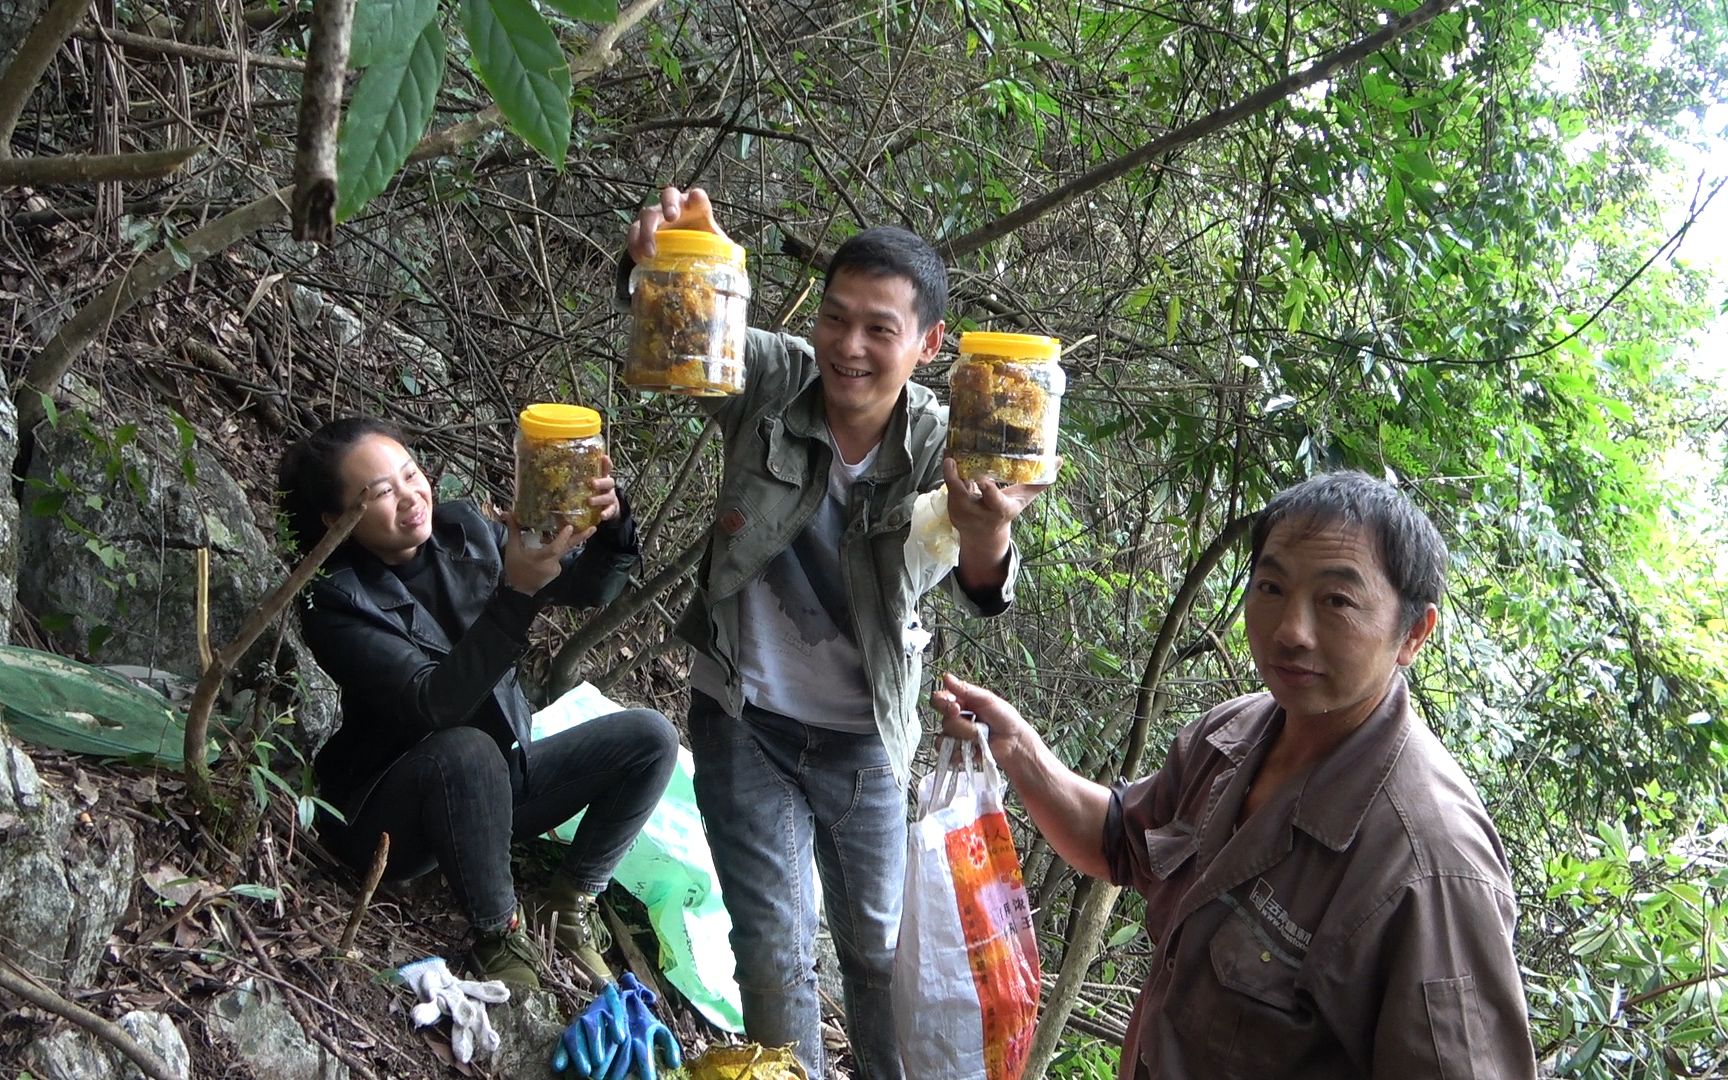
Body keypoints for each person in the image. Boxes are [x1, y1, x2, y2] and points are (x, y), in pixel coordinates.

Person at [623, 188, 1047, 1078]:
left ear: (928, 345)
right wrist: (666, 261)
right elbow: (679, 333)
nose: (849, 347)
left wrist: (989, 529)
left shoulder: (949, 439)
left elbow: (983, 588)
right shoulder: (774, 381)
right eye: (835, 318)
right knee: (774, 945)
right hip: (745, 716)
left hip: (863, 742)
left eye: (879, 330)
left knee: (879, 952)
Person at [934, 471, 1539, 1078]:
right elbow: (1119, 841)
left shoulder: (1429, 861)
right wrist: (1016, 747)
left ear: (1413, 633)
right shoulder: (1236, 734)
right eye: (1271, 587)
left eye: (1336, 601)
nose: (1291, 631)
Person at [278, 417, 678, 990]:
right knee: (464, 748)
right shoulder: (334, 598)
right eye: (382, 492)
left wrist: (613, 525)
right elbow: (431, 707)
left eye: (411, 474)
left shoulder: (463, 529)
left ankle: (567, 903)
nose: (410, 497)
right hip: (393, 819)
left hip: (494, 787)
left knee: (650, 738)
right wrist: (516, 593)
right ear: (335, 518)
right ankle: (498, 932)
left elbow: (587, 588)